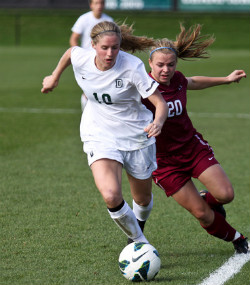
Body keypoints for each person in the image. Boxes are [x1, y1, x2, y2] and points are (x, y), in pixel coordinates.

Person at [41, 21, 168, 244]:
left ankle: (138, 230)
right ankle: (139, 243)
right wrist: (54, 76)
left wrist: (158, 122)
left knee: (143, 199)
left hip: (137, 137)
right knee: (111, 195)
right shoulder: (83, 58)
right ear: (93, 45)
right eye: (104, 48)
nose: (110, 54)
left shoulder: (132, 66)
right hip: (99, 133)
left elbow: (160, 103)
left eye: (115, 48)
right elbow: (71, 53)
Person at [141, 24, 248, 254]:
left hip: (192, 148)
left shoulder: (178, 79)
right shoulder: (142, 87)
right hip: (163, 162)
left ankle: (205, 198)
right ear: (150, 63)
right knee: (202, 214)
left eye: (171, 64)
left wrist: (226, 79)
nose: (166, 70)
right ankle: (239, 239)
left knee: (225, 195)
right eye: (160, 65)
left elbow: (193, 82)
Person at [69, 0, 113, 111]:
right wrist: (79, 54)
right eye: (96, 3)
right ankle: (86, 113)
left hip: (104, 61)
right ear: (91, 5)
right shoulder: (84, 19)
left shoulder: (108, 20)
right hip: (88, 60)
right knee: (89, 89)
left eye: (102, 3)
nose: (99, 6)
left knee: (103, 88)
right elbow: (74, 38)